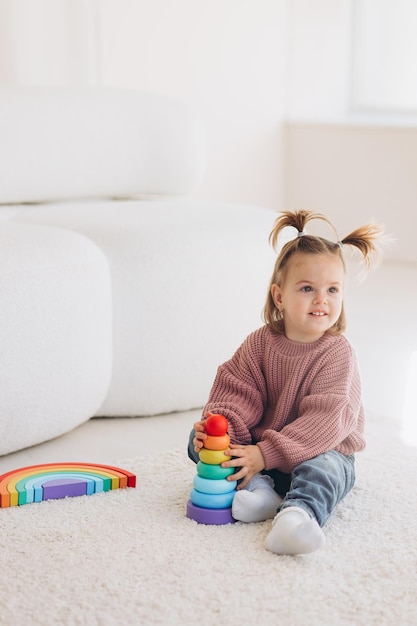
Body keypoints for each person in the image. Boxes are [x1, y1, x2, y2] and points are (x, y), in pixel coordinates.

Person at [188, 209, 385, 555]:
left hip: (319, 451)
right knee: (199, 439)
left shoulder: (338, 353)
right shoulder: (260, 343)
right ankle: (261, 491)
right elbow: (235, 392)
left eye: (332, 289)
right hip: (263, 459)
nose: (322, 299)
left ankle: (296, 516)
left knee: (325, 469)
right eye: (307, 288)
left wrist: (265, 453)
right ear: (279, 296)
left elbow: (327, 421)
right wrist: (221, 430)